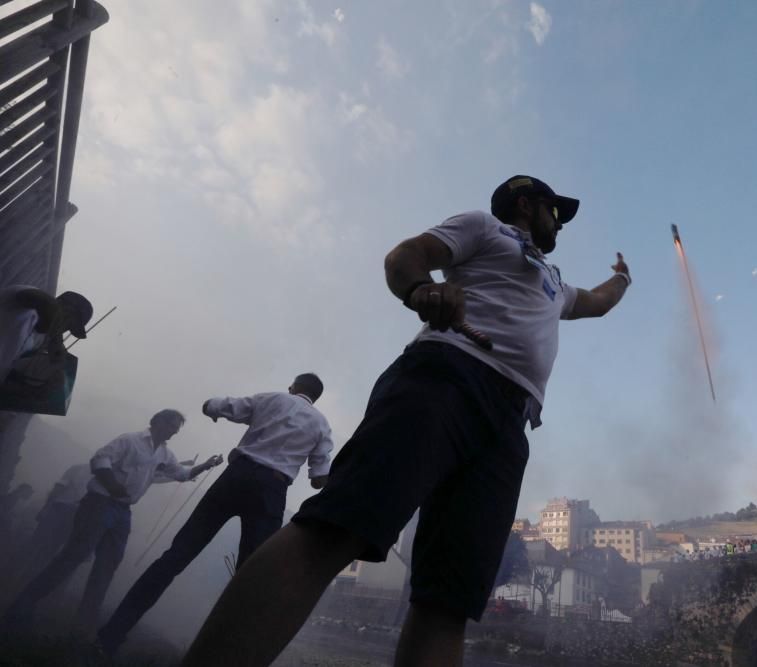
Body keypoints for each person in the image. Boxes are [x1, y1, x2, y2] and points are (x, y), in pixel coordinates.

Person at [181, 175, 631, 667]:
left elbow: (596, 302)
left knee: (447, 601)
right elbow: (405, 256)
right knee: (337, 528)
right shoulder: (483, 228)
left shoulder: (554, 282)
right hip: (445, 376)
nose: (560, 223)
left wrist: (622, 279)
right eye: (555, 212)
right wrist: (422, 290)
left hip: (510, 424)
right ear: (526, 204)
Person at [97, 374, 335, 655]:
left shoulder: (270, 398)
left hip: (236, 476)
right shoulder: (321, 425)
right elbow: (319, 479)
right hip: (272, 490)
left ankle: (111, 635)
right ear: (316, 397)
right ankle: (221, 657)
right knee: (250, 578)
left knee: (176, 556)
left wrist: (211, 409)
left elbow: (214, 406)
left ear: (294, 387)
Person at [2, 410, 221, 628]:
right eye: (172, 426)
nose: (174, 432)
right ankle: (23, 606)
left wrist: (206, 465)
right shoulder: (130, 440)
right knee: (73, 556)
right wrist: (112, 485)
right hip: (99, 502)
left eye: (176, 429)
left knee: (108, 564)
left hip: (123, 511)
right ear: (158, 422)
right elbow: (99, 459)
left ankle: (82, 625)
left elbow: (181, 474)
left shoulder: (164, 454)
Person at [0, 286, 92, 384]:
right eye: (68, 324)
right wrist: (56, 341)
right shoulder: (24, 302)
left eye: (68, 329)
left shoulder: (30, 344)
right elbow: (48, 304)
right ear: (65, 308)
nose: (64, 330)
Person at [17, 463, 93, 580]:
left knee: (46, 548)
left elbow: (59, 488)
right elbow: (59, 488)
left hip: (71, 515)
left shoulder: (100, 479)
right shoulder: (79, 469)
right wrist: (46, 507)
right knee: (38, 543)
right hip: (61, 510)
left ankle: (26, 577)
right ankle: (16, 573)